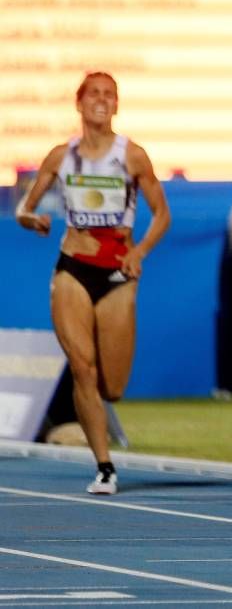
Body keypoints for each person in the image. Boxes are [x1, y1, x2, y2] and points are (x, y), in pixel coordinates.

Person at [15, 72, 171, 495]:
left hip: (118, 272)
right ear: (79, 103)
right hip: (73, 266)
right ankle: (104, 466)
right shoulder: (60, 156)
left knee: (112, 386)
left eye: (109, 95)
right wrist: (33, 219)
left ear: (116, 106)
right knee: (83, 368)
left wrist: (138, 253)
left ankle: (100, 422)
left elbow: (162, 215)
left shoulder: (133, 155)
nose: (102, 101)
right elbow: (24, 210)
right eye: (94, 94)